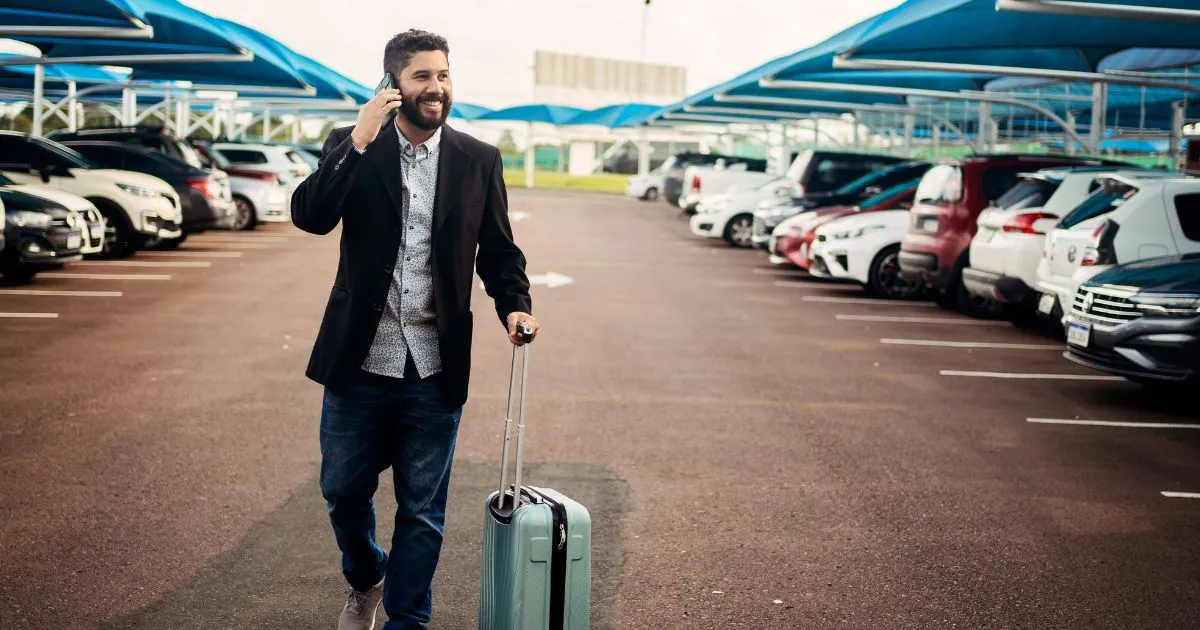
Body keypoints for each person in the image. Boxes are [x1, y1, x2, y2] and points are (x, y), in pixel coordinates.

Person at [290, 29, 540, 630]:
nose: (437, 88)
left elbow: (500, 250)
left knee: (422, 510)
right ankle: (366, 575)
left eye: (444, 75)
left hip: (435, 365)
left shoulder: (479, 159)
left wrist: (515, 304)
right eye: (423, 76)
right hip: (359, 360)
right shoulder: (355, 146)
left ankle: (408, 620)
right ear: (393, 85)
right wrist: (357, 139)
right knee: (344, 493)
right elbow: (311, 216)